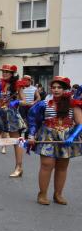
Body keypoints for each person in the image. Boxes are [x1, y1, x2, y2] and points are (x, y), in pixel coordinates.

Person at [27, 76, 82, 205]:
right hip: (48, 136)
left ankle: (58, 194)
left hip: (66, 138)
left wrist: (72, 137)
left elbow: (80, 123)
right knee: (47, 165)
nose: (56, 90)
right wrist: (31, 135)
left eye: (59, 87)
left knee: (62, 167)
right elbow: (32, 119)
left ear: (65, 89)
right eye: (54, 87)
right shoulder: (44, 103)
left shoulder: (73, 104)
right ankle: (42, 194)